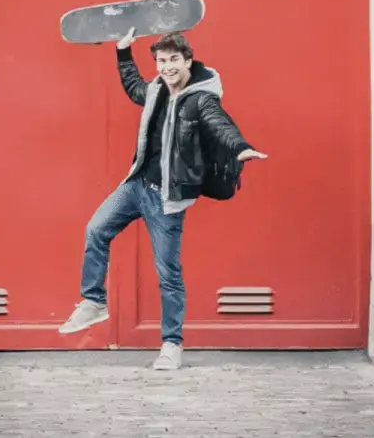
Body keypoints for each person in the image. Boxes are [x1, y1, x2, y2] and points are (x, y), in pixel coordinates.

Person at [57, 27, 267, 370]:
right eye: (161, 61)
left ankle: (172, 343)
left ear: (188, 61)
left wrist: (240, 148)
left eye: (173, 60)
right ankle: (94, 301)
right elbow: (134, 87)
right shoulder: (155, 89)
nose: (166, 67)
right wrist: (123, 52)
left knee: (167, 273)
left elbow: (220, 124)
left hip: (166, 198)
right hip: (136, 184)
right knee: (96, 230)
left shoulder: (201, 99)